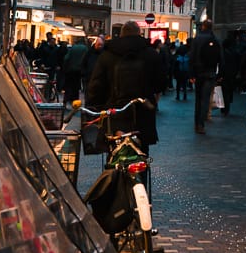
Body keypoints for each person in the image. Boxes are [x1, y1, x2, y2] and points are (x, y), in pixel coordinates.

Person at [85, 19, 169, 157]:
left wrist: (94, 107)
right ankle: (140, 177)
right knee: (141, 151)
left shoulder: (107, 55)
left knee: (114, 150)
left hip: (115, 110)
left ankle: (114, 175)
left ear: (121, 34)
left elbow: (96, 84)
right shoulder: (151, 54)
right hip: (142, 111)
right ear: (139, 34)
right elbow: (161, 83)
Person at [190, 21, 222, 134]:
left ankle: (196, 123)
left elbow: (192, 56)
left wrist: (191, 74)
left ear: (202, 26)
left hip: (198, 73)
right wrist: (220, 74)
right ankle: (201, 124)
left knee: (198, 99)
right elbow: (220, 58)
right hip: (210, 73)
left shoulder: (197, 38)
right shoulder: (215, 39)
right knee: (205, 99)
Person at [61, 36, 88, 106]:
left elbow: (66, 58)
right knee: (76, 87)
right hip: (79, 71)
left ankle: (66, 100)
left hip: (70, 70)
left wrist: (65, 67)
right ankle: (75, 102)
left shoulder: (73, 47)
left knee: (68, 86)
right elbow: (87, 59)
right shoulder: (85, 48)